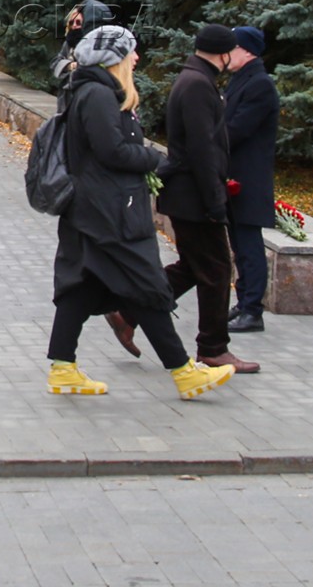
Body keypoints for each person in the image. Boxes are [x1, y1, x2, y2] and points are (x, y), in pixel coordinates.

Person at [46, 25, 236, 401]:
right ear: (113, 57)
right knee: (146, 288)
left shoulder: (96, 91)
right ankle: (184, 373)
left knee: (81, 289)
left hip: (99, 210)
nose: (137, 58)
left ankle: (62, 368)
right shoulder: (98, 94)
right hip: (109, 213)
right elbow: (111, 151)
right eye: (131, 51)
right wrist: (154, 158)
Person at [127, 24, 259, 374]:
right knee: (216, 270)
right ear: (223, 52)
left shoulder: (194, 79)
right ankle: (213, 348)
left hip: (188, 195)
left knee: (193, 266)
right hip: (195, 198)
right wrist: (216, 201)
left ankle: (128, 312)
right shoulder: (199, 85)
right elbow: (203, 150)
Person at [223, 26, 280, 334]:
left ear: (246, 51)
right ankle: (244, 302)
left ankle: (252, 310)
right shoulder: (241, 81)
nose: (225, 55)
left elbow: (237, 129)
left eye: (230, 48)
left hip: (248, 180)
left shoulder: (259, 85)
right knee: (239, 245)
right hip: (235, 177)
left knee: (249, 245)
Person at [50, 0, 115, 88]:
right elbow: (55, 63)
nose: (74, 26)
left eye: (78, 22)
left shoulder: (101, 45)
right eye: (71, 22)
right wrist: (70, 65)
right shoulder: (69, 43)